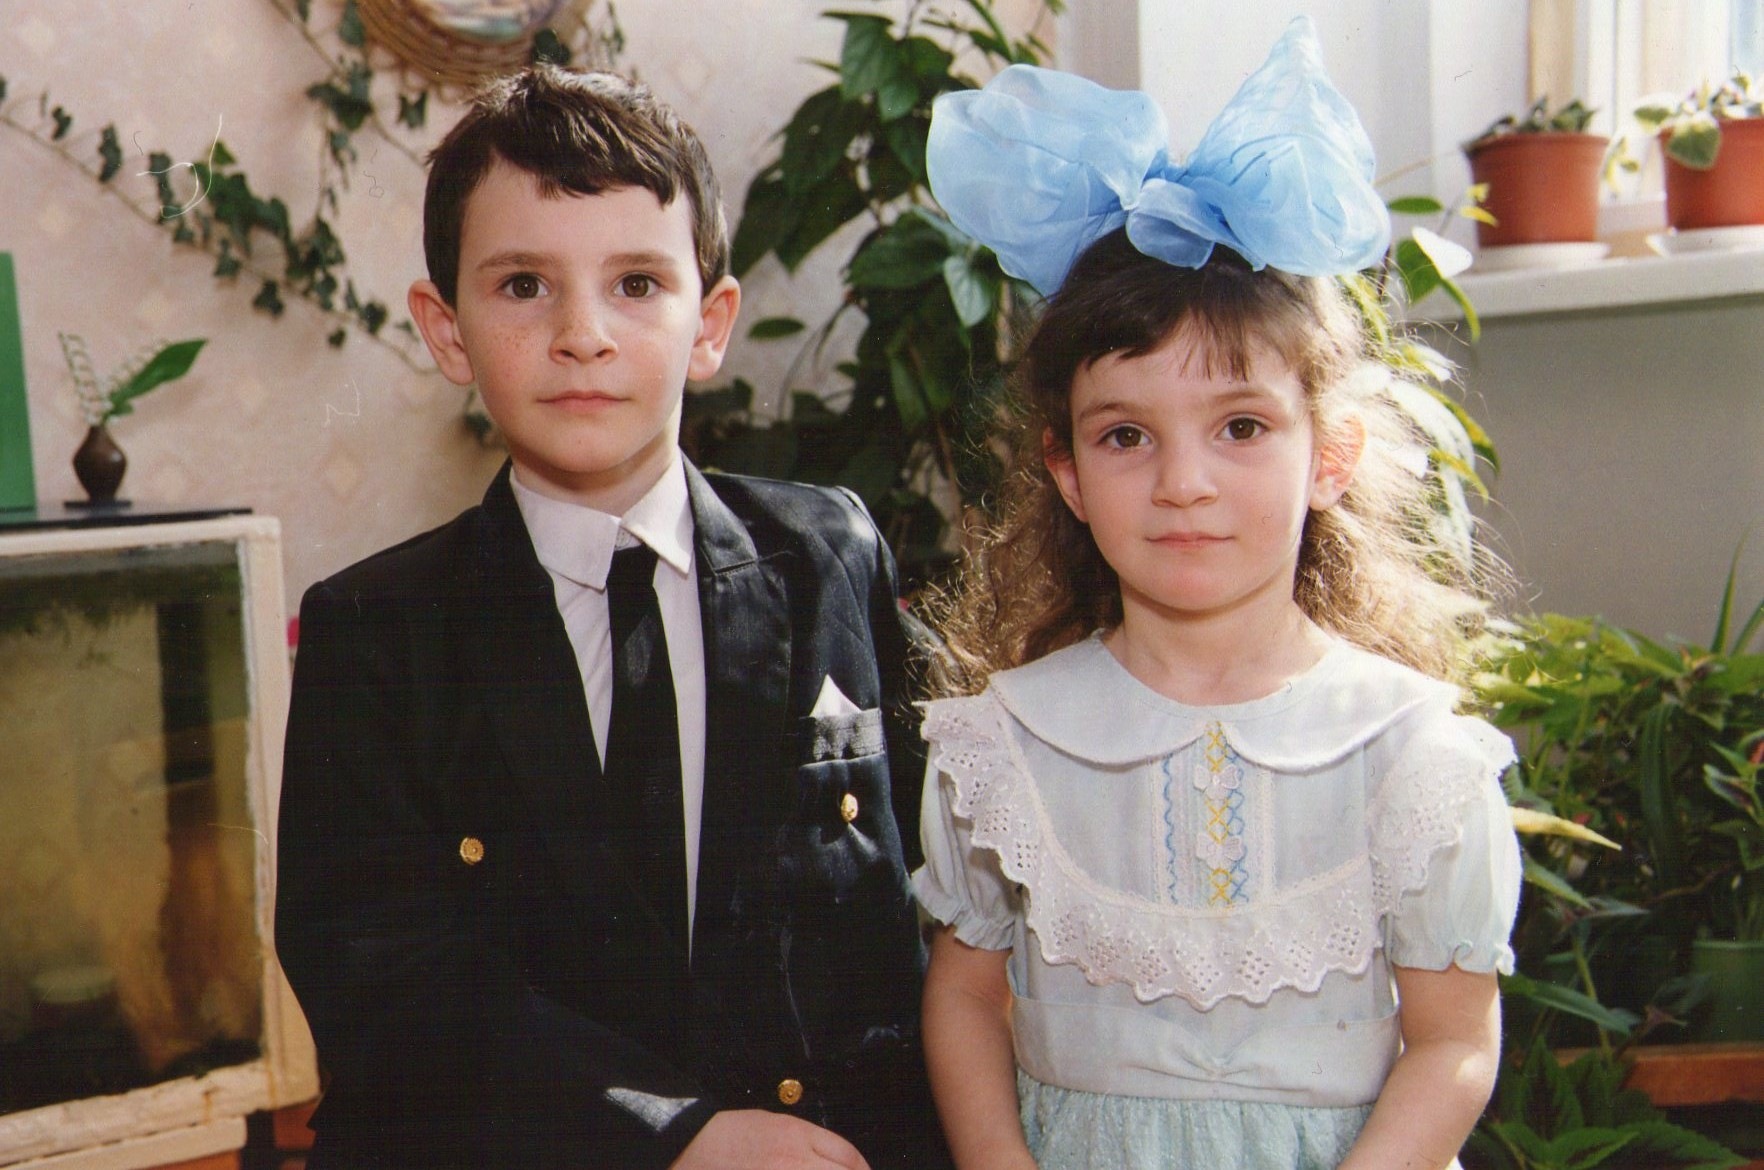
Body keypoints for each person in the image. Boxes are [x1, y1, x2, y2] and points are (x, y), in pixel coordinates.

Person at [275, 66, 949, 1170]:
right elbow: (384, 980)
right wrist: (675, 1136)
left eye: (637, 282)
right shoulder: (376, 631)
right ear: (447, 331)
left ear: (710, 324)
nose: (582, 333)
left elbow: (949, 885)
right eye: (523, 285)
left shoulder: (829, 555)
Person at [911, 18, 1523, 1170]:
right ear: (1066, 473)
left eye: (1240, 427)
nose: (1183, 483)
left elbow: (1453, 1041)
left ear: (1328, 457)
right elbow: (965, 1000)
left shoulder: (1410, 755)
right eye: (1127, 435)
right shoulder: (1007, 747)